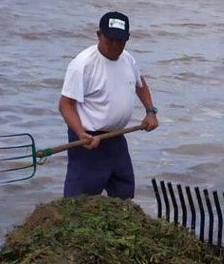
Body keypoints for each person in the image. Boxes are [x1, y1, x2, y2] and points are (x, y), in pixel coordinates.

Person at [58, 10, 159, 198]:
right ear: (99, 35)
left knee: (124, 190)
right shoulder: (82, 65)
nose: (115, 46)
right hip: (89, 141)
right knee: (80, 198)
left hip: (117, 138)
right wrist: (81, 133)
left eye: (120, 41)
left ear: (127, 39)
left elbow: (140, 83)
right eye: (110, 39)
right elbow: (65, 104)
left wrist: (150, 111)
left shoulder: (127, 59)